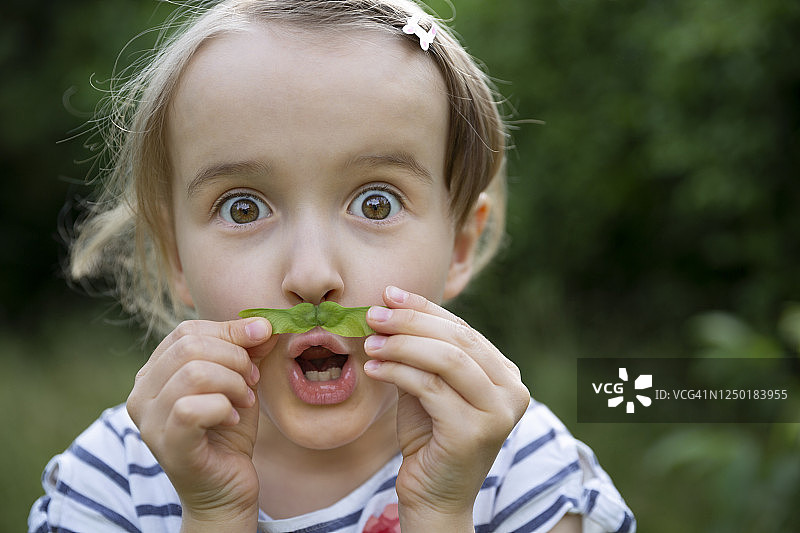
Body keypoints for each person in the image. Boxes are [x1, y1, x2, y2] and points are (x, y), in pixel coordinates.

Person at [29, 1, 635, 531]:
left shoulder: (525, 472)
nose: (313, 274)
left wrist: (444, 513)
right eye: (243, 208)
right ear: (175, 258)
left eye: (377, 202)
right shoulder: (111, 484)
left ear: (459, 247)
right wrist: (212, 516)